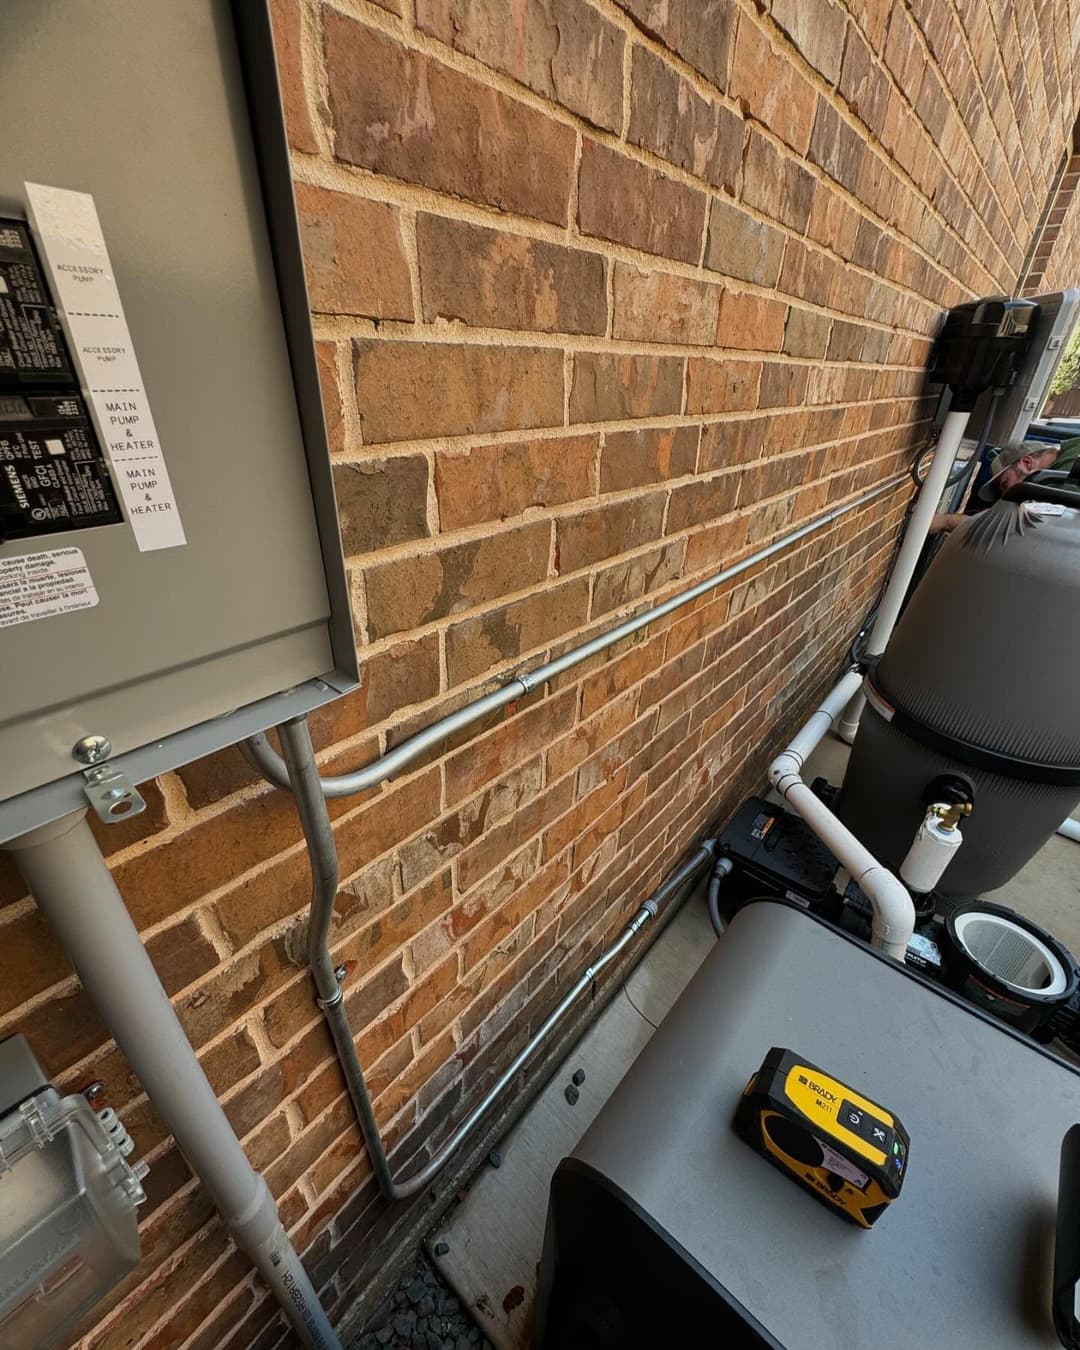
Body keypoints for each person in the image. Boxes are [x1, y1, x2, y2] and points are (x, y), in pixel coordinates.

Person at [930, 435, 1080, 533]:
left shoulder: (1065, 475)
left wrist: (946, 521)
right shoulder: (1069, 455)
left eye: (1004, 484)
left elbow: (1014, 529)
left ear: (1026, 464)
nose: (1005, 494)